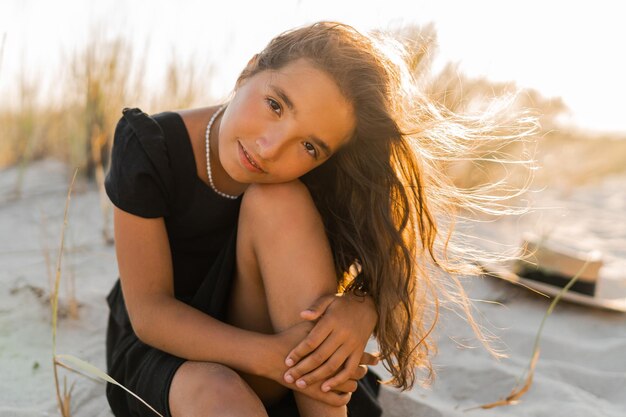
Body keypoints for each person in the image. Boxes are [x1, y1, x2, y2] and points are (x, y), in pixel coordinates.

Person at [104, 21, 535, 417]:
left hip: (284, 363)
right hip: (166, 354)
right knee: (217, 393)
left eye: (310, 146)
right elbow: (150, 314)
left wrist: (360, 307)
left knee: (277, 202)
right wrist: (270, 356)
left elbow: (382, 263)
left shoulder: (314, 180)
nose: (271, 148)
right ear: (249, 70)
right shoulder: (150, 148)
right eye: (275, 104)